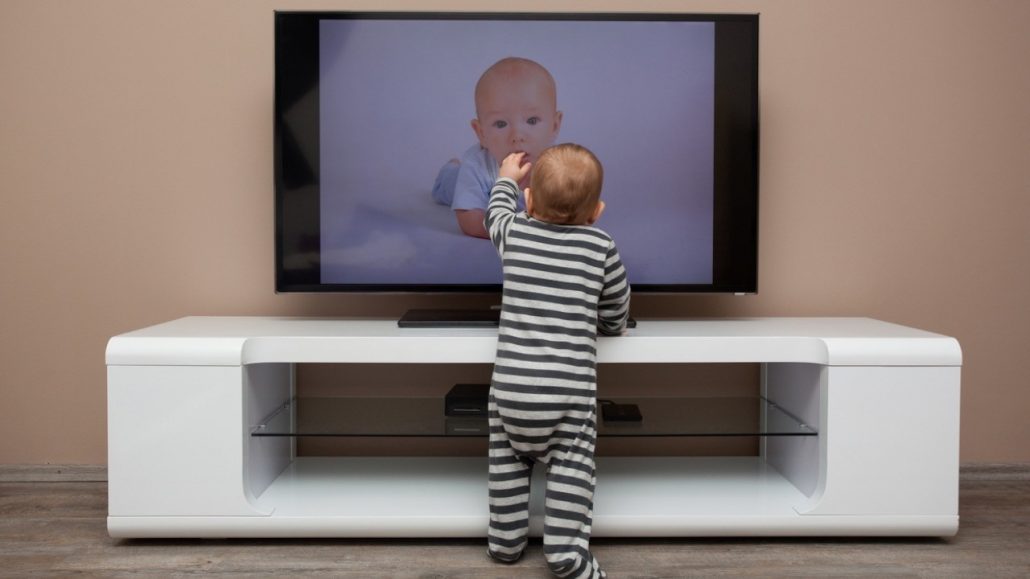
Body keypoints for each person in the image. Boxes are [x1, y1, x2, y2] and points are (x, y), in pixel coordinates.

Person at [484, 144, 630, 579]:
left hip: (510, 390)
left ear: (529, 202)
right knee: (571, 471)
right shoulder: (601, 245)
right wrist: (607, 326)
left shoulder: (515, 232)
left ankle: (504, 544)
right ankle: (567, 554)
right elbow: (616, 308)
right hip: (567, 395)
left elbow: (495, 214)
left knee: (506, 465)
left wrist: (507, 179)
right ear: (597, 211)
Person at [432, 57, 563, 238]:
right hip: (461, 184)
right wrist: (510, 230)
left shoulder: (559, 165)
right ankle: (450, 169)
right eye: (501, 124)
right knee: (450, 183)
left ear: (554, 126)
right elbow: (469, 219)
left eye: (532, 121)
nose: (517, 136)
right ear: (481, 133)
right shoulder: (477, 167)